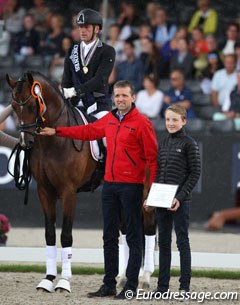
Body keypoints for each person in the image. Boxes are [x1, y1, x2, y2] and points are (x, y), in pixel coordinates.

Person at [39, 80, 158, 299]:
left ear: (133, 98)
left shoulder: (142, 123)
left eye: (124, 95)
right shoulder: (110, 119)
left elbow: (152, 158)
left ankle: (131, 285)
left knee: (133, 236)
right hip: (110, 185)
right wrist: (56, 131)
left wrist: (150, 190)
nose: (120, 99)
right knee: (109, 237)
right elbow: (86, 132)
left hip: (132, 186)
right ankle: (109, 284)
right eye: (117, 95)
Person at [147, 104, 201, 298]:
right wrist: (152, 198)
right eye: (168, 119)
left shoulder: (189, 143)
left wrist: (179, 197)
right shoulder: (163, 143)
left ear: (183, 121)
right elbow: (159, 174)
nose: (170, 123)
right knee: (163, 243)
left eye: (175, 120)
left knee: (182, 242)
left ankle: (184, 287)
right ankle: (162, 287)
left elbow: (195, 173)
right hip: (161, 201)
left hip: (180, 202)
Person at [61, 8, 115, 120]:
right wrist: (66, 92)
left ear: (97, 29)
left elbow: (100, 79)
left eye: (86, 27)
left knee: (107, 135)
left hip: (98, 104)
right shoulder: (72, 51)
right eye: (80, 27)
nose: (82, 31)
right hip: (75, 104)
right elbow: (66, 79)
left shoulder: (107, 51)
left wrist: (76, 90)